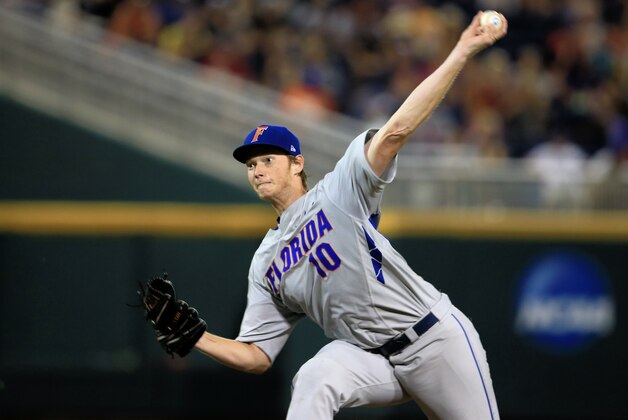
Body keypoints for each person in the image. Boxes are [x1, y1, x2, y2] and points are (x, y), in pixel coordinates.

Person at [194, 11, 507, 419]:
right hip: (370, 359)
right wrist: (195, 337)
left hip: (433, 340)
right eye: (251, 165)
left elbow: (395, 131)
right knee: (315, 375)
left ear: (296, 163)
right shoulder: (265, 261)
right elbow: (256, 355)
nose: (258, 170)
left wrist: (462, 51)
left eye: (268, 160)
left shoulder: (339, 191)